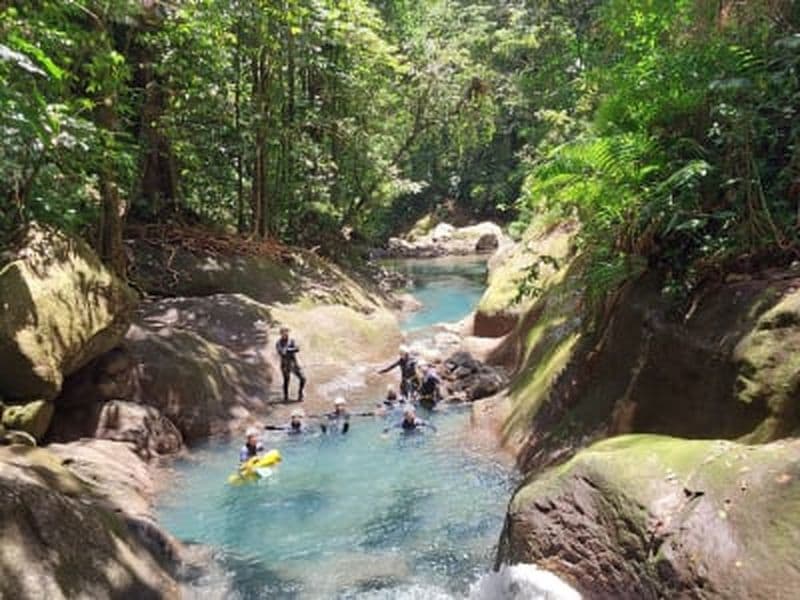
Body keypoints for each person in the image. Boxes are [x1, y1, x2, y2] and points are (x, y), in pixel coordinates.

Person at [276, 326, 306, 402]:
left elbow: (297, 349)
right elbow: (281, 352)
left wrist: (288, 350)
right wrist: (289, 350)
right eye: (283, 332)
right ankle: (286, 397)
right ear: (281, 333)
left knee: (303, 378)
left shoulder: (291, 340)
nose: (285, 333)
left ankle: (300, 393)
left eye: (286, 332)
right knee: (286, 380)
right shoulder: (278, 343)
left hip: (293, 363)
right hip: (285, 364)